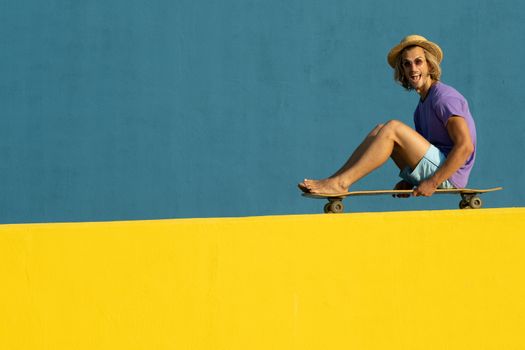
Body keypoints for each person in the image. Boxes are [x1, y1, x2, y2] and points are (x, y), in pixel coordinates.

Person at [298, 35, 476, 197]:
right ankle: (334, 180)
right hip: (438, 167)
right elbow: (423, 153)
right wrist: (410, 180)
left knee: (392, 128)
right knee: (380, 131)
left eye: (418, 62)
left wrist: (433, 181)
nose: (413, 69)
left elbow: (465, 146)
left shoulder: (444, 98)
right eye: (407, 64)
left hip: (451, 175)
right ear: (403, 70)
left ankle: (341, 183)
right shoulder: (421, 108)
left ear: (429, 65)